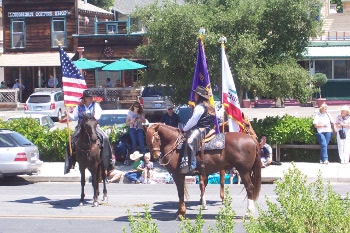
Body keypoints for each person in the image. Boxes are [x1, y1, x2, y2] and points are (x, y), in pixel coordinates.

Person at [64, 90, 113, 174]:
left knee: (105, 137)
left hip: (93, 127)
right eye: (88, 98)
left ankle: (109, 161)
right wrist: (68, 114)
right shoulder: (79, 107)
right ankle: (70, 162)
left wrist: (90, 119)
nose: (90, 99)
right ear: (85, 98)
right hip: (81, 127)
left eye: (91, 97)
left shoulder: (95, 106)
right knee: (71, 140)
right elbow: (75, 117)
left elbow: (97, 116)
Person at [180, 86, 216, 174]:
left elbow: (193, 120)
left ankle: (192, 165)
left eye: (196, 94)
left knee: (189, 141)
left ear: (199, 96)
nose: (194, 96)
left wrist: (184, 129)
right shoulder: (209, 106)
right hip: (208, 129)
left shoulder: (200, 107)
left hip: (201, 129)